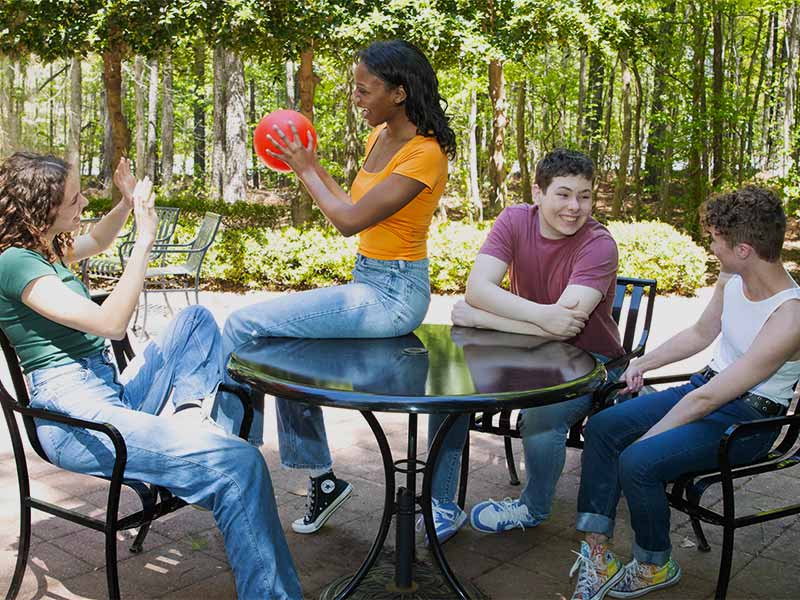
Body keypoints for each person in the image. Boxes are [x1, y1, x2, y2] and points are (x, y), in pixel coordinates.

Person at [0, 153, 301, 600]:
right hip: (73, 415)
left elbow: (99, 240)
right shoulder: (15, 263)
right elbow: (112, 324)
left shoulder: (49, 246)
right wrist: (144, 241)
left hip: (106, 388)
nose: (84, 202)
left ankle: (190, 419)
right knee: (239, 465)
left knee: (196, 319)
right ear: (41, 207)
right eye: (74, 198)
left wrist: (125, 202)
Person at [217, 39, 455, 535]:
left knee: (243, 324)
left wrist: (304, 168)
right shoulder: (379, 138)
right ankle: (323, 479)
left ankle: (228, 453)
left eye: (364, 89)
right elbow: (351, 203)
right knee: (286, 353)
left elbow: (348, 221)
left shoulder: (425, 154)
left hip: (393, 295)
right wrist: (308, 162)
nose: (356, 97)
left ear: (398, 91)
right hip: (367, 279)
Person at [569, 185, 800, 600]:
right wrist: (643, 362)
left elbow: (710, 401)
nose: (710, 247)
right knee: (604, 427)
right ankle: (597, 552)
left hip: (749, 420)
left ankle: (655, 564)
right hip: (707, 387)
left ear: (744, 248)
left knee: (638, 459)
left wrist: (648, 438)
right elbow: (700, 334)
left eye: (715, 239)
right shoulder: (732, 278)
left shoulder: (790, 315)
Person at [426, 148, 625, 543]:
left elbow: (563, 328)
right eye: (564, 194)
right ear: (538, 192)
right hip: (525, 350)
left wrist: (482, 317)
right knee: (450, 392)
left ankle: (534, 508)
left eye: (585, 196)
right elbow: (478, 287)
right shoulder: (515, 220)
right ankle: (442, 504)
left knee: (541, 416)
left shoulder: (599, 244)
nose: (575, 207)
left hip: (591, 363)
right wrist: (541, 317)